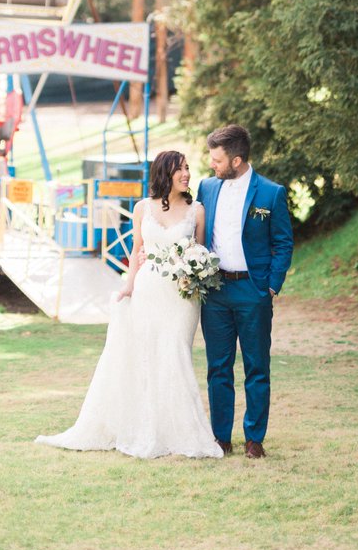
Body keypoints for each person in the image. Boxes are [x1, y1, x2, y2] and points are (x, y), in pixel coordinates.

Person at [36, 150, 223, 459]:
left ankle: (183, 432)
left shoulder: (197, 211)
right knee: (148, 358)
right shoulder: (142, 208)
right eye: (180, 169)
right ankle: (150, 429)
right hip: (149, 289)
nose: (187, 174)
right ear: (165, 173)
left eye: (188, 168)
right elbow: (138, 251)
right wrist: (128, 287)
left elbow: (200, 251)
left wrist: (196, 270)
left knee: (175, 354)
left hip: (182, 295)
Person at [196, 123, 294, 459]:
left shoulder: (271, 193)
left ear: (237, 160)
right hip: (216, 291)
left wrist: (271, 284)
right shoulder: (206, 188)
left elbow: (283, 241)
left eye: (217, 159)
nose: (212, 164)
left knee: (256, 366)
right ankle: (220, 438)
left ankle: (254, 438)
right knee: (218, 367)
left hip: (253, 291)